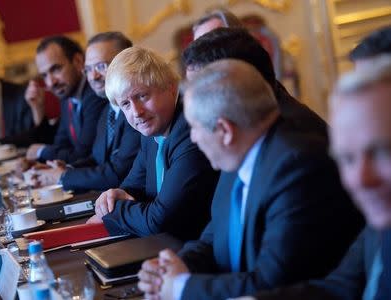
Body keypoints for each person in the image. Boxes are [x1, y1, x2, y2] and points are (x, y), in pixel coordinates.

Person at [137, 59, 363, 300]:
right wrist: (173, 267)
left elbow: (271, 282)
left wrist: (182, 287)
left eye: (194, 127)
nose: (193, 138)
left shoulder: (297, 167)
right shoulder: (240, 155)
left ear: (224, 131)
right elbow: (215, 238)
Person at [231, 56, 391, 300]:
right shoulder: (380, 222)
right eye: (347, 158)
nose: (360, 179)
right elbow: (339, 288)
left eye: (381, 151)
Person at [86, 46, 219, 241]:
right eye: (125, 104)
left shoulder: (191, 131)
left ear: (171, 87)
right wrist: (113, 196)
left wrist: (111, 211)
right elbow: (131, 188)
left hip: (197, 252)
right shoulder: (150, 131)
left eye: (142, 96)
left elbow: (159, 221)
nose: (136, 112)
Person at [29, 32, 141, 193]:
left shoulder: (136, 110)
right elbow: (97, 158)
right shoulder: (108, 111)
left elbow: (119, 173)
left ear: (128, 63)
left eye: (101, 66)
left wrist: (63, 176)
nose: (93, 76)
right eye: (88, 69)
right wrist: (66, 168)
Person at [183, 27, 327, 138]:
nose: (194, 137)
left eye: (199, 91)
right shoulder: (250, 124)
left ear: (236, 83)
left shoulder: (294, 141)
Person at [25, 36, 106, 163]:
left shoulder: (95, 94)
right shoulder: (67, 97)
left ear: (78, 61)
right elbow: (60, 145)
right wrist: (38, 108)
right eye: (44, 75)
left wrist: (41, 152)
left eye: (56, 69)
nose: (51, 83)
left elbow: (83, 154)